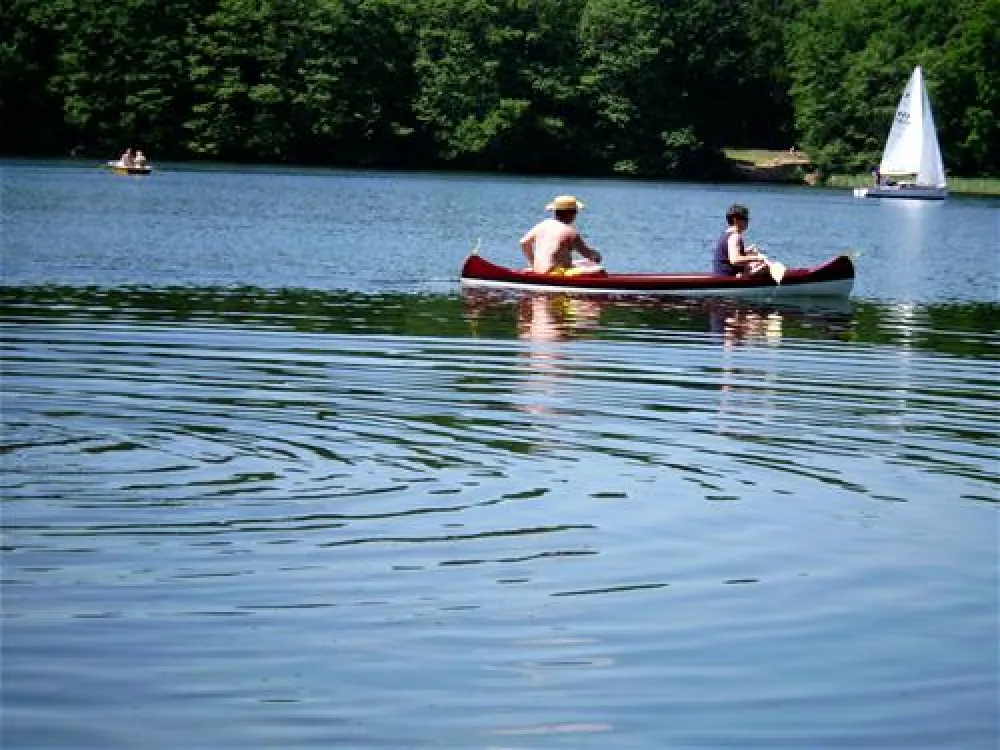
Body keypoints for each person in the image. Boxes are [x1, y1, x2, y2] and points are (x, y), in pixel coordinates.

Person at [520, 195, 602, 275]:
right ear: (572, 213)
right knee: (599, 270)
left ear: (555, 212)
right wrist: (597, 256)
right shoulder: (570, 231)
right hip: (555, 273)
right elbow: (588, 254)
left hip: (539, 270)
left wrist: (532, 262)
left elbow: (524, 242)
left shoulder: (543, 224)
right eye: (576, 212)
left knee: (583, 263)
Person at [712, 203, 769, 277]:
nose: (748, 222)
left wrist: (746, 251)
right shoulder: (734, 236)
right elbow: (735, 260)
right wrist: (758, 258)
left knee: (756, 265)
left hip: (722, 275)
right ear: (735, 220)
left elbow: (729, 256)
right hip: (728, 277)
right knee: (765, 267)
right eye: (745, 219)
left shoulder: (726, 234)